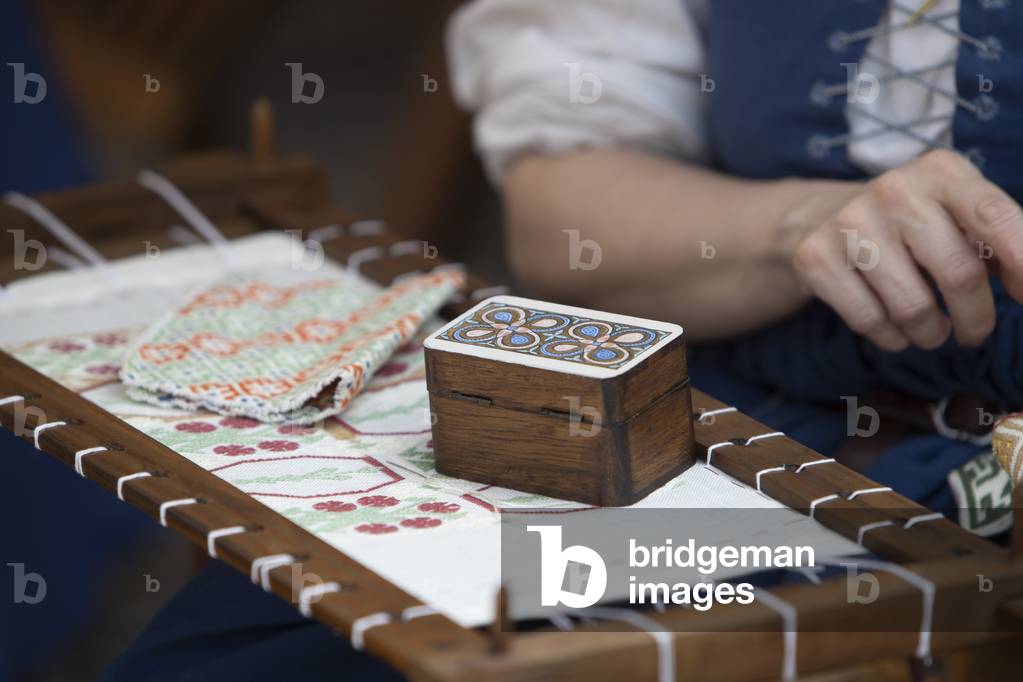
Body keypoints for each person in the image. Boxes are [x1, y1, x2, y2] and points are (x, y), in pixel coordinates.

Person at [447, 0, 1023, 523]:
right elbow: (556, 228)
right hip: (733, 421)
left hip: (997, 514)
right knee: (494, 570)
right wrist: (801, 221)